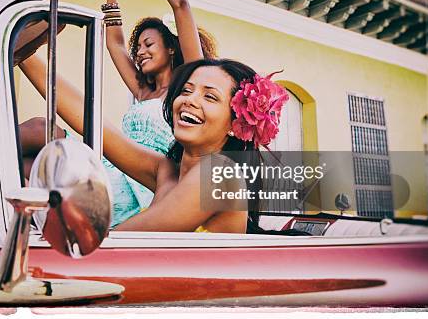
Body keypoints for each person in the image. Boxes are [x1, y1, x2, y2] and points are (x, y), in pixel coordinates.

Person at [19, 0, 217, 226]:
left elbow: (182, 6)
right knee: (30, 155)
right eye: (139, 48)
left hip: (137, 184)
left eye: (149, 45)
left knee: (42, 139)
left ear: (172, 48)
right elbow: (115, 43)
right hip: (109, 162)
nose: (140, 53)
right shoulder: (141, 90)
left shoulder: (186, 88)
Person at [19, 56, 289, 233]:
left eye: (210, 96)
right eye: (186, 90)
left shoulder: (221, 176)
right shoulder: (166, 171)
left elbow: (119, 241)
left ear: (235, 124)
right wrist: (25, 55)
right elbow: (93, 123)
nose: (190, 100)